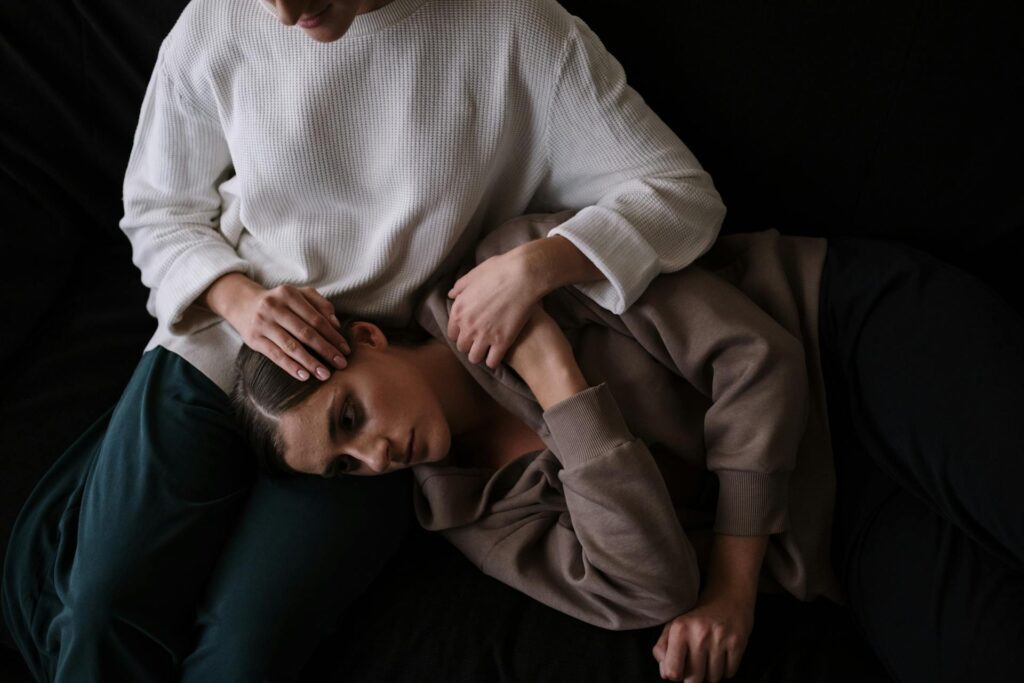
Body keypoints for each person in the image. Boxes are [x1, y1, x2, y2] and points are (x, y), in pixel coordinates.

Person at [2, 0, 726, 680]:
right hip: (220, 339)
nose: (284, 13)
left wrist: (535, 267)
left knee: (244, 653)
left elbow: (681, 194)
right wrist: (240, 300)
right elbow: (156, 209)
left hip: (372, 390)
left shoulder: (515, 30)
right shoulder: (221, 20)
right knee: (99, 612)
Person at [233, 211, 1024, 683]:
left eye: (348, 418)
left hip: (845, 341)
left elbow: (758, 358)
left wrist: (735, 583)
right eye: (345, 467)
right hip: (835, 529)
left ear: (368, 338)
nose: (375, 456)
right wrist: (557, 379)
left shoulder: (514, 264)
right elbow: (649, 589)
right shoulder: (467, 512)